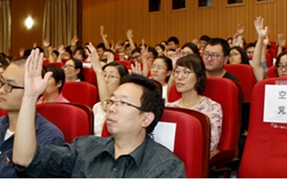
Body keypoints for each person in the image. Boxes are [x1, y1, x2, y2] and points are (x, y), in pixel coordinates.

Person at [13, 49, 186, 177]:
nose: (111, 108)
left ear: (146, 118)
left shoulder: (166, 168)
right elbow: (25, 159)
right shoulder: (85, 148)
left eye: (123, 103)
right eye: (112, 101)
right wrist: (30, 97)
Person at [166, 55, 222, 155]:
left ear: (199, 77)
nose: (179, 77)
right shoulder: (170, 108)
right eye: (177, 72)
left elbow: (210, 145)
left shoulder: (212, 108)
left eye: (186, 72)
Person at [88, 42, 129, 136]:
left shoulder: (123, 106)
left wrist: (99, 71)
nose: (105, 80)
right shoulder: (97, 106)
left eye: (112, 76)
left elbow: (107, 105)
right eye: (104, 75)